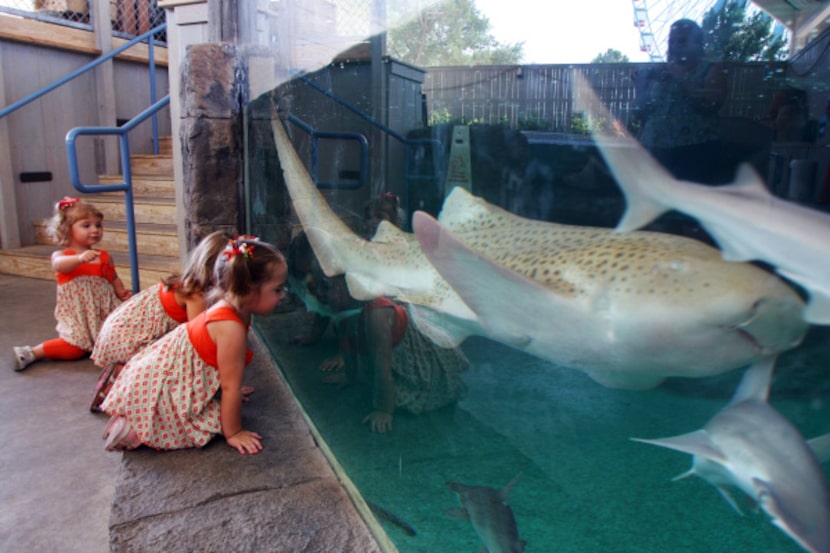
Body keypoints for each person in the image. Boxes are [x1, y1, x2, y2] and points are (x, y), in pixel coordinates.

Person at [100, 235, 288, 454]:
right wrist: (234, 432)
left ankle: (135, 416)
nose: (283, 295)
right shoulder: (230, 327)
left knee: (223, 407)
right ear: (248, 288)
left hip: (161, 370)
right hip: (161, 384)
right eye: (277, 289)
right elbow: (230, 386)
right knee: (213, 421)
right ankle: (132, 427)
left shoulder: (235, 310)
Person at [305, 256, 469, 434]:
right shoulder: (343, 306)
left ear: (355, 285)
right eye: (317, 286)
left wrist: (383, 410)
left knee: (390, 385)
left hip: (418, 358)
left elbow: (382, 367)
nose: (319, 294)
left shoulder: (377, 315)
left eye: (326, 287)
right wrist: (350, 375)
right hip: (389, 350)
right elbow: (347, 343)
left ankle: (403, 398)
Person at [88, 230, 229, 412]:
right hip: (125, 337)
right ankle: (124, 384)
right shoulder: (195, 293)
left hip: (119, 328)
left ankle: (124, 377)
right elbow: (199, 340)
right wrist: (226, 384)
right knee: (173, 367)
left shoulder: (189, 282)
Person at [12, 196, 131, 371]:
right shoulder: (62, 255)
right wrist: (79, 258)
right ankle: (33, 352)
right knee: (74, 349)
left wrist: (120, 291)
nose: (95, 230)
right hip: (77, 314)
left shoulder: (103, 255)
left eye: (98, 225)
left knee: (115, 339)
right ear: (67, 230)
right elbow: (59, 266)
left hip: (102, 310)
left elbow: (112, 277)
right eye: (86, 225)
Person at [633, 19, 728, 184]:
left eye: (682, 40)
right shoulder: (660, 73)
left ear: (698, 44)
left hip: (694, 154)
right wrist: (640, 86)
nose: (675, 46)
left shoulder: (711, 70)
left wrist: (680, 78)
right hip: (655, 151)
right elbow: (641, 114)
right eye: (671, 41)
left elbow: (712, 104)